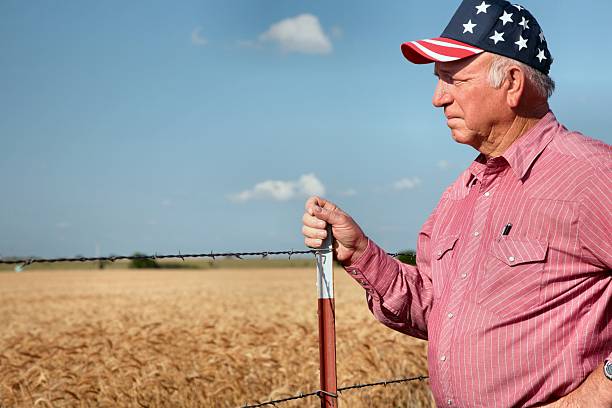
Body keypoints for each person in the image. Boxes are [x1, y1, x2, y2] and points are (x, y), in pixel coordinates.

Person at [301, 1, 611, 407]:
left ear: (512, 83)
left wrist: (597, 393)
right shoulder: (459, 195)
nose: (437, 98)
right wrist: (360, 252)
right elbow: (433, 307)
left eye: (454, 79)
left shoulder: (591, 176)